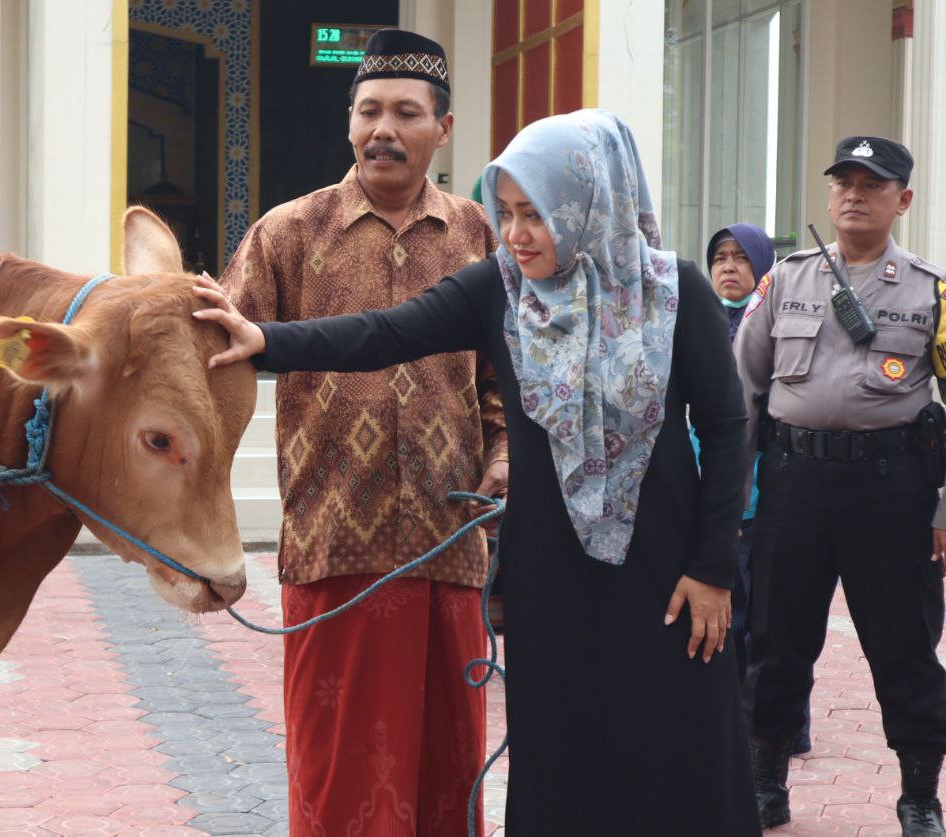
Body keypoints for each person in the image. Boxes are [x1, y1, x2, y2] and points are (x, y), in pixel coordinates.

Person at [199, 108, 761, 836]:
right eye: (507, 212)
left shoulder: (675, 291)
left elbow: (726, 430)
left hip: (666, 570)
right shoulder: (500, 290)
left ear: (587, 205)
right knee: (560, 751)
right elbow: (384, 332)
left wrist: (714, 567)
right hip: (549, 573)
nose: (518, 233)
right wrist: (263, 339)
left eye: (537, 214)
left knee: (675, 744)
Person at [219, 28, 508, 833]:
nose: (384, 128)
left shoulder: (480, 236)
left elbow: (504, 379)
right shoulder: (288, 232)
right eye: (369, 110)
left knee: (449, 764)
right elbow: (218, 354)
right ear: (349, 122)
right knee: (337, 765)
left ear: (442, 130)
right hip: (331, 534)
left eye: (406, 113)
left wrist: (506, 452)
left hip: (449, 537)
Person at [735, 136, 946, 836]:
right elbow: (742, 393)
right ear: (829, 194)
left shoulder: (932, 291)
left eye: (873, 184)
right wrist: (730, 501)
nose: (854, 194)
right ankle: (765, 781)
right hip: (794, 481)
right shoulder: (785, 281)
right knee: (776, 636)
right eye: (843, 181)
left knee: (904, 643)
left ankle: (919, 794)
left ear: (903, 200)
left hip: (892, 488)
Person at [701, 223, 814, 754]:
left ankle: (779, 730)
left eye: (741, 258)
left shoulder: (775, 324)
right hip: (710, 493)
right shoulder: (696, 322)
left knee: (769, 619)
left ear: (763, 266)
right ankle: (728, 720)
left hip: (763, 495)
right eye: (720, 257)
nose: (728, 266)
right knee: (728, 614)